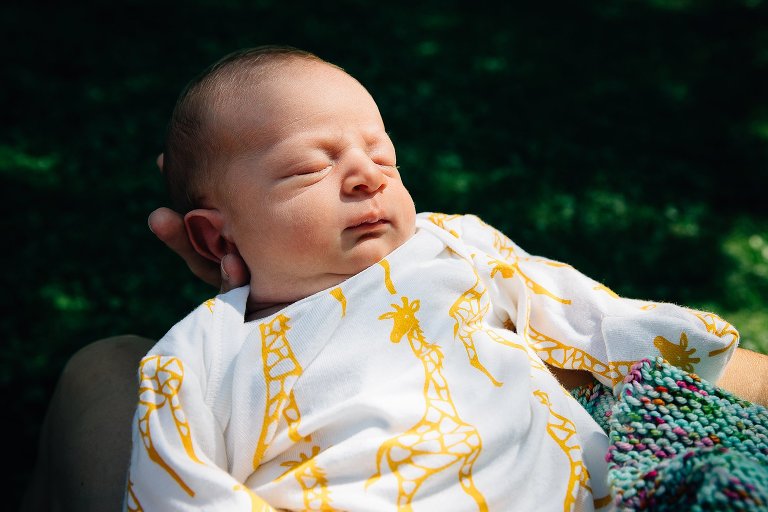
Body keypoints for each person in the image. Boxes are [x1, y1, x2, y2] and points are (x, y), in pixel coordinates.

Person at [20, 46, 768, 512]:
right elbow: (173, 485)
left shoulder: (451, 247)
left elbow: (587, 314)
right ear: (215, 236)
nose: (366, 177)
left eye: (382, 156)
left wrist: (691, 348)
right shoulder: (197, 353)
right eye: (309, 168)